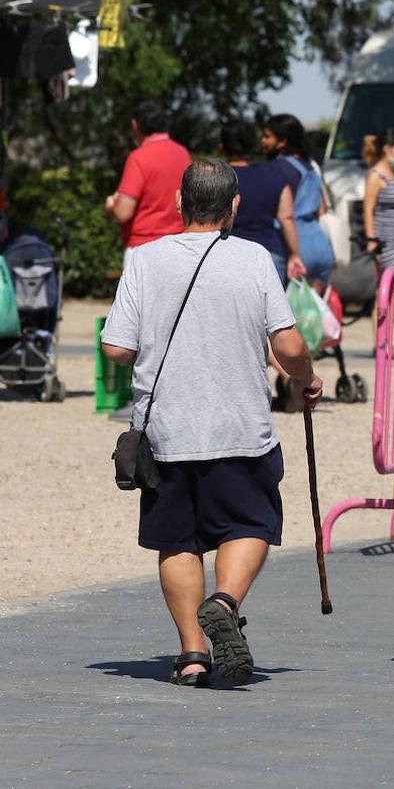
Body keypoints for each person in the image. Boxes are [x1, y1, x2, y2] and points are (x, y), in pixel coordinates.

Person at [100, 159, 323, 688]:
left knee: (177, 540)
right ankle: (224, 602)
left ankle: (193, 655)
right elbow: (287, 344)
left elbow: (116, 348)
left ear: (179, 203)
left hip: (167, 429)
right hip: (239, 424)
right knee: (252, 524)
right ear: (235, 206)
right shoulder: (252, 258)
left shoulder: (144, 259)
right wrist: (305, 378)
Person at [106, 99, 192, 271]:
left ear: (135, 125)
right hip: (180, 246)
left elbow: (123, 212)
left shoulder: (139, 157)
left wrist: (111, 205)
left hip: (144, 248)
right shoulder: (182, 153)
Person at [222, 121, 304, 287]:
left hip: (227, 255)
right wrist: (295, 255)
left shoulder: (218, 177)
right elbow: (286, 217)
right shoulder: (274, 175)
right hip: (270, 254)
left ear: (222, 147)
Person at [263, 114, 334, 289]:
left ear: (282, 142)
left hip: (294, 247)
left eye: (267, 136)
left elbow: (280, 213)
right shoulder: (311, 165)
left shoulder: (277, 168)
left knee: (289, 314)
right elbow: (321, 208)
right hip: (319, 246)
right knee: (312, 313)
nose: (262, 141)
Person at [361, 129, 394, 270]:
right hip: (386, 241)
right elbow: (368, 210)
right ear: (387, 149)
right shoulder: (375, 176)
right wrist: (372, 240)